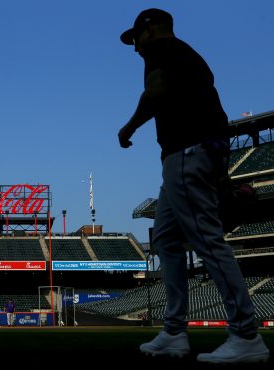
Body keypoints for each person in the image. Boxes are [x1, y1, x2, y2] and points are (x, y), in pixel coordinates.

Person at [118, 8, 270, 364]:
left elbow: (154, 92)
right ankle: (174, 332)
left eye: (136, 38)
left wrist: (129, 127)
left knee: (206, 239)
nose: (135, 47)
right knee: (168, 240)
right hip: (191, 153)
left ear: (150, 30)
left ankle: (246, 334)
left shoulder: (163, 49)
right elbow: (197, 106)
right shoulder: (185, 56)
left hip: (187, 151)